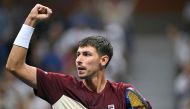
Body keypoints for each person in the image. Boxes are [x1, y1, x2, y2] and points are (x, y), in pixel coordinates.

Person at [6, 4, 151, 109]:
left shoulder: (123, 93)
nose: (79, 60)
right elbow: (14, 65)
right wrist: (30, 21)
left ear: (103, 60)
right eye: (78, 55)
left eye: (87, 54)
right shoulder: (60, 86)